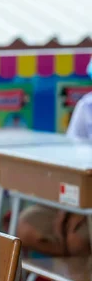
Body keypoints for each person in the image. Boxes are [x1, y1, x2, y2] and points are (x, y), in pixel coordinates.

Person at [16, 83, 92, 257]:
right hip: (78, 195)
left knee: (77, 240)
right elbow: (72, 162)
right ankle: (74, 272)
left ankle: (80, 275)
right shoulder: (86, 106)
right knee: (26, 226)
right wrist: (66, 208)